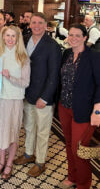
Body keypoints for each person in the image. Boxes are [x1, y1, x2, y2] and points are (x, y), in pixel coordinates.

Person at [14, 12, 62, 177]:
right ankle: (28, 154)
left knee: (42, 131)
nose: (36, 26)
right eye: (33, 22)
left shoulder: (53, 46)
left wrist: (46, 97)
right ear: (29, 24)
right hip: (26, 93)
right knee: (28, 127)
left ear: (46, 25)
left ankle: (40, 162)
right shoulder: (24, 39)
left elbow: (54, 75)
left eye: (40, 23)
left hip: (43, 97)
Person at [0, 25, 30, 180]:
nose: (10, 39)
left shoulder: (23, 56)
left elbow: (25, 82)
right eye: (7, 35)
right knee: (0, 131)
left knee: (12, 132)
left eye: (13, 36)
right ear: (2, 37)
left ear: (18, 38)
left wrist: (10, 77)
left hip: (14, 100)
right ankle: (1, 161)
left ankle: (9, 163)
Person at [57, 24, 100, 189]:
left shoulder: (93, 57)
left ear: (85, 37)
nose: (73, 38)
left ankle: (84, 183)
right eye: (71, 35)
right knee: (68, 144)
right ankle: (72, 176)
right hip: (64, 106)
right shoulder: (67, 53)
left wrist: (97, 109)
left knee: (79, 148)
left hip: (83, 110)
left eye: (77, 35)